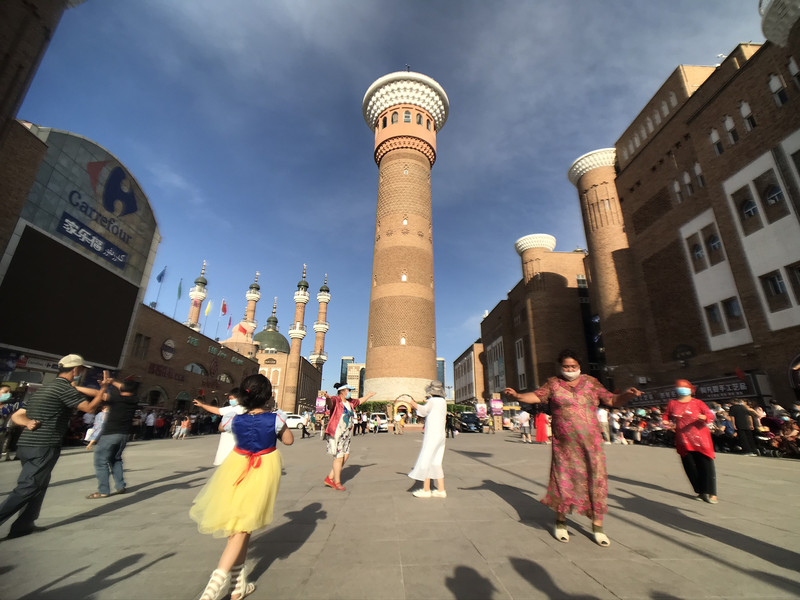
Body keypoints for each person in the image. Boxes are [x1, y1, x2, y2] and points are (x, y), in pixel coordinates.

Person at [504, 349, 641, 548]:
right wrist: (517, 395)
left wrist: (627, 395)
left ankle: (598, 527)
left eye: (573, 366)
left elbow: (612, 400)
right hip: (564, 446)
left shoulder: (592, 383)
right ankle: (561, 522)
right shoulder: (553, 384)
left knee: (596, 481)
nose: (569, 370)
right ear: (560, 367)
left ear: (579, 366)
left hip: (591, 445)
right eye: (566, 367)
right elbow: (535, 396)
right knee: (563, 481)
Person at [190, 374, 293, 600]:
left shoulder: (233, 419)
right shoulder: (275, 418)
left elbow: (221, 427)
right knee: (241, 528)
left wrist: (238, 413)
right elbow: (288, 440)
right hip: (261, 470)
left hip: (235, 467)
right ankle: (212, 589)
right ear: (267, 396)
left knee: (241, 527)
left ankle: (238, 586)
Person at [0, 354, 107, 537]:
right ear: (76, 369)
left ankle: (24, 524)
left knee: (39, 484)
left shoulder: (45, 388)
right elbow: (89, 408)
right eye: (82, 369)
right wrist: (103, 387)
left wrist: (28, 423)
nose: (82, 373)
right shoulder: (64, 388)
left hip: (26, 444)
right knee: (29, 486)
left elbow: (17, 415)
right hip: (44, 444)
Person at [663, 379, 718, 504]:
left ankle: (712, 493)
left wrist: (704, 417)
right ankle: (701, 491)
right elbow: (666, 415)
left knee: (706, 465)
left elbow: (710, 415)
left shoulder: (698, 403)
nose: (681, 389)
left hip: (700, 438)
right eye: (679, 387)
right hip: (683, 439)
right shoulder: (672, 403)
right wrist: (666, 422)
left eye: (684, 387)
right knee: (690, 467)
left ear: (690, 389)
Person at [88, 378, 140, 498]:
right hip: (123, 435)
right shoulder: (134, 399)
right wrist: (111, 382)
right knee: (116, 459)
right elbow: (124, 387)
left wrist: (76, 388)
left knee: (100, 461)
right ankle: (120, 486)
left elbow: (97, 393)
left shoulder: (117, 399)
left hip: (110, 434)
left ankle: (103, 490)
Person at [322, 384, 375, 491]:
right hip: (337, 432)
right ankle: (337, 482)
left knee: (345, 455)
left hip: (346, 434)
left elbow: (359, 401)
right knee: (338, 457)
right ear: (342, 391)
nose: (350, 392)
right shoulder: (336, 400)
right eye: (348, 390)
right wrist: (327, 398)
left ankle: (330, 478)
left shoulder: (350, 402)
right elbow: (330, 404)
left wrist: (369, 396)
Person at [407, 380, 448, 498]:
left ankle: (426, 490)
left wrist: (413, 403)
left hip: (432, 434)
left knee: (426, 460)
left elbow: (423, 412)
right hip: (441, 435)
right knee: (436, 462)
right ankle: (441, 490)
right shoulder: (443, 402)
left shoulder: (432, 401)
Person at [194, 389, 245, 466]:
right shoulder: (230, 408)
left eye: (232, 399)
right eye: (229, 399)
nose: (230, 401)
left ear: (239, 398)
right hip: (226, 442)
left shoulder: (245, 409)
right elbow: (217, 410)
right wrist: (202, 405)